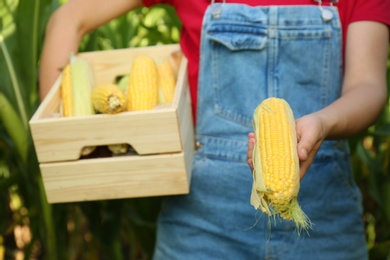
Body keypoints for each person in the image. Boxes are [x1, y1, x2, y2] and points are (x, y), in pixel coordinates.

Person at [39, 0, 390, 259]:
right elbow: (69, 17)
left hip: (324, 225)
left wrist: (323, 123)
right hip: (201, 229)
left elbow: (368, 86)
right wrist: (65, 129)